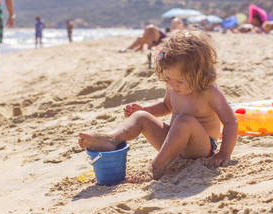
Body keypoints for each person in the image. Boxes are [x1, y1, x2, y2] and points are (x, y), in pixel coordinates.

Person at [79, 30, 238, 183]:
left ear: (199, 73)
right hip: (173, 143)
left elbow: (231, 121)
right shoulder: (173, 86)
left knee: (184, 120)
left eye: (180, 81)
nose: (173, 85)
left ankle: (156, 166)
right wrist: (145, 110)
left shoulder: (209, 90)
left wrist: (224, 153)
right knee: (140, 117)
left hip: (200, 148)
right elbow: (166, 106)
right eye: (168, 78)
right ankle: (112, 139)